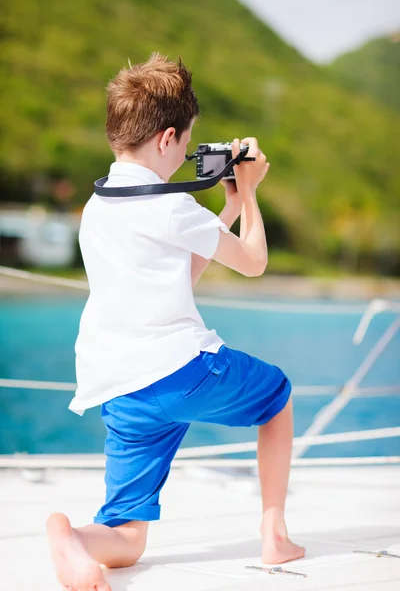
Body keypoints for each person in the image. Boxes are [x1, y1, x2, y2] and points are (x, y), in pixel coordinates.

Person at [46, 52, 305, 591]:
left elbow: (176, 274)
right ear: (166, 139)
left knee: (128, 538)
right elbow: (254, 263)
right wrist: (251, 191)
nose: (186, 155)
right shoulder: (170, 206)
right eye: (186, 144)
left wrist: (227, 210)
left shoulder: (98, 204)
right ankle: (274, 535)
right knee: (276, 395)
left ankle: (70, 537)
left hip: (121, 386)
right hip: (179, 372)